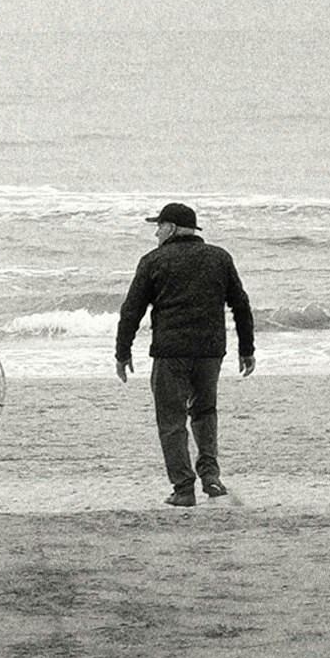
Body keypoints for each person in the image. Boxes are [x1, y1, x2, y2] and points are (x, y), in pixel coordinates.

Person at [114, 201, 255, 506]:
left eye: (159, 227)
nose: (156, 234)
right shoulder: (219, 258)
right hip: (210, 351)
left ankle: (183, 488)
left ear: (172, 228)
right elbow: (241, 305)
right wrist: (247, 349)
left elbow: (131, 311)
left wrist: (122, 352)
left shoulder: (153, 261)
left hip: (170, 353)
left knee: (171, 419)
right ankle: (211, 477)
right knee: (205, 413)